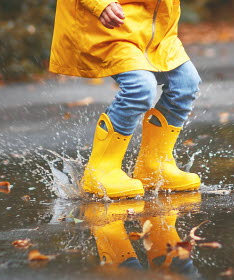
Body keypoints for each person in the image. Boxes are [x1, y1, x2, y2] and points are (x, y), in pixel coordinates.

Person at [50, 0, 202, 199]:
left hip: (156, 30)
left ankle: (154, 166)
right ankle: (101, 172)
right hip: (113, 29)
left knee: (186, 83)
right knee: (140, 88)